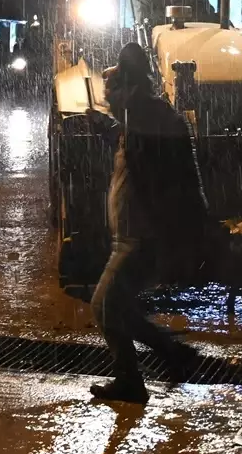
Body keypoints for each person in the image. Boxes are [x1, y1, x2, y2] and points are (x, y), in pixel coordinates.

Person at [85, 42, 210, 404]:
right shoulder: (144, 116)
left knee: (105, 305)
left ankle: (132, 380)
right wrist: (109, 128)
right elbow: (137, 146)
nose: (107, 96)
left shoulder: (148, 119)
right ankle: (172, 354)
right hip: (136, 235)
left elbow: (160, 171)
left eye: (112, 90)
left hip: (143, 237)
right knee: (119, 305)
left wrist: (173, 235)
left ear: (131, 88)